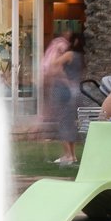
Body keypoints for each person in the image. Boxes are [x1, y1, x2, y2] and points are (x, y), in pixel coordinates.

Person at [44, 34, 83, 166]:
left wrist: (57, 53)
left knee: (63, 122)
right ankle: (72, 155)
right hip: (75, 90)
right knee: (70, 122)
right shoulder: (81, 57)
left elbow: (54, 64)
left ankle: (67, 155)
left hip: (64, 90)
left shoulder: (70, 54)